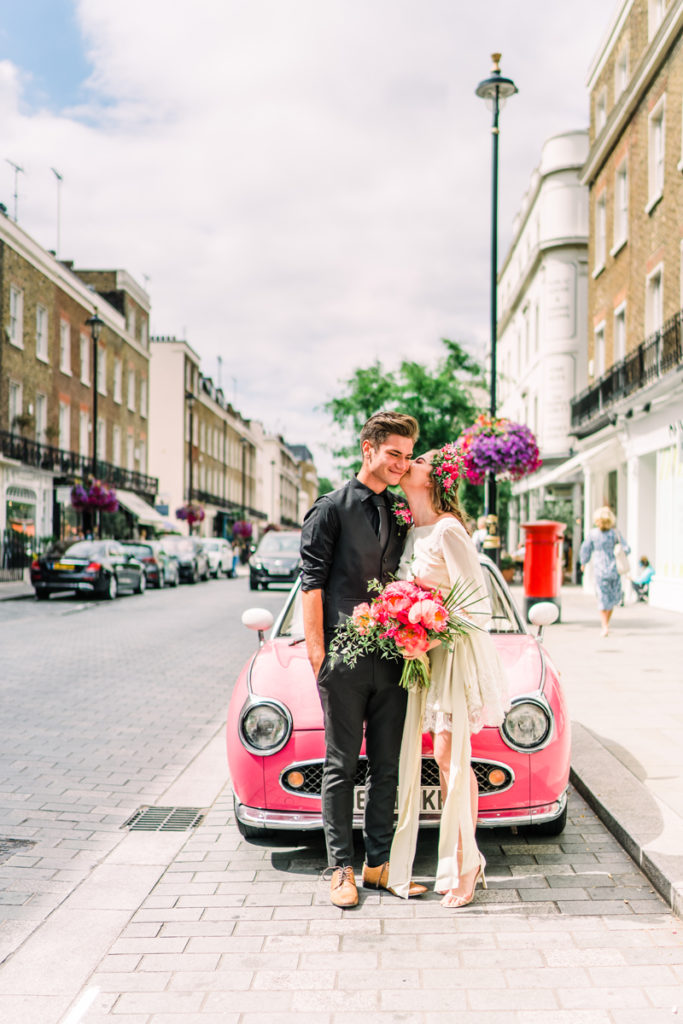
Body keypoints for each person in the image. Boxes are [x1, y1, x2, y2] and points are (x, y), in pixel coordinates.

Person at [300, 411, 427, 908]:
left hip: (394, 656)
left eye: (407, 454)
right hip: (344, 657)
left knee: (388, 765)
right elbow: (311, 583)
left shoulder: (399, 511)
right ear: (368, 449)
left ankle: (377, 864)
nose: (400, 463)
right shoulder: (330, 508)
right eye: (393, 452)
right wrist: (318, 655)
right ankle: (341, 870)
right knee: (341, 764)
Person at [387, 446, 509, 908]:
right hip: (424, 658)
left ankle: (467, 863)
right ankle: (455, 859)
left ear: (433, 478)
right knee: (437, 757)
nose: (406, 465)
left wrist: (427, 636)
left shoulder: (449, 531)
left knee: (449, 754)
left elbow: (475, 603)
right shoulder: (412, 531)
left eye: (415, 461)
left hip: (451, 655)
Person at [579, 506, 630, 637]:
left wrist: (583, 563)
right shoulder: (615, 533)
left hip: (599, 568)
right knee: (612, 597)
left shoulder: (593, 534)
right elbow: (627, 549)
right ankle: (607, 623)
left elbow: (585, 549)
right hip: (614, 568)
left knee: (602, 597)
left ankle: (604, 625)